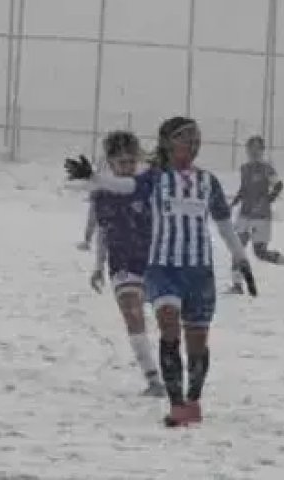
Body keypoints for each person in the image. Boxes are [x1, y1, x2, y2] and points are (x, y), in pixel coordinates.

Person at [65, 116, 255, 428]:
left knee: (196, 342)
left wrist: (241, 258)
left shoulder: (208, 182)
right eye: (184, 139)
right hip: (162, 267)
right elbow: (123, 187)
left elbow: (223, 225)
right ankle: (174, 401)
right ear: (168, 143)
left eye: (195, 139)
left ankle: (192, 401)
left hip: (199, 271)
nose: (191, 145)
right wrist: (94, 178)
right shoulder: (154, 179)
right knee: (166, 323)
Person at [77, 131, 164, 397]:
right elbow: (104, 230)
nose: (127, 167)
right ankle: (152, 378)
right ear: (111, 163)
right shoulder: (104, 194)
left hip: (151, 259)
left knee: (167, 317)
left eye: (131, 162)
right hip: (122, 262)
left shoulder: (147, 186)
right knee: (132, 313)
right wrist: (98, 265)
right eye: (121, 162)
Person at [226, 135, 284, 294]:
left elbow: (278, 185)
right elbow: (244, 189)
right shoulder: (245, 169)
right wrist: (234, 202)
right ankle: (237, 285)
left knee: (260, 253)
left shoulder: (266, 169)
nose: (254, 152)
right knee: (238, 248)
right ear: (247, 150)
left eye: (257, 149)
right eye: (251, 149)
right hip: (244, 215)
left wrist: (267, 200)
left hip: (261, 217)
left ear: (262, 151)